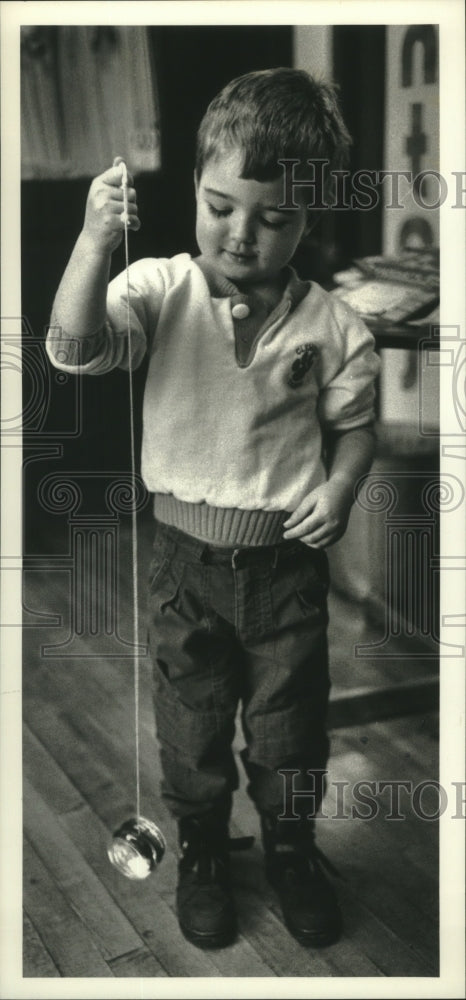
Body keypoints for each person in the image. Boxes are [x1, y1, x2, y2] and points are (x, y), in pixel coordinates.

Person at [47, 67, 380, 951]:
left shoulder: (336, 327)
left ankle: (292, 848)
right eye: (221, 205)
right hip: (184, 571)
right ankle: (199, 847)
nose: (242, 234)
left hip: (287, 577)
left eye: (274, 218)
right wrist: (90, 245)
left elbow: (354, 433)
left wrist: (341, 489)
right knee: (191, 727)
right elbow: (75, 348)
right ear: (194, 186)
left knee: (291, 730)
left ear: (310, 218)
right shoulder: (159, 289)